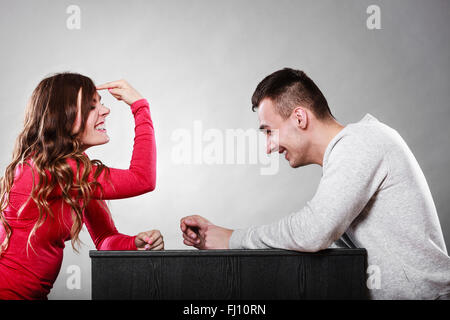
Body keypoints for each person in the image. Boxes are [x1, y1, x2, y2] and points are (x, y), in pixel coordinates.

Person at [180, 68, 450, 299]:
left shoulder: (361, 143)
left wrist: (231, 238)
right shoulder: (348, 155)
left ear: (299, 118)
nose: (269, 148)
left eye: (269, 132)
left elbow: (312, 231)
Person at [0, 73, 163, 300]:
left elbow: (105, 238)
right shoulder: (53, 169)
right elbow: (142, 179)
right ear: (63, 117)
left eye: (101, 104)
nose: (105, 111)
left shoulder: (71, 172)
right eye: (91, 106)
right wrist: (140, 106)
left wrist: (133, 242)